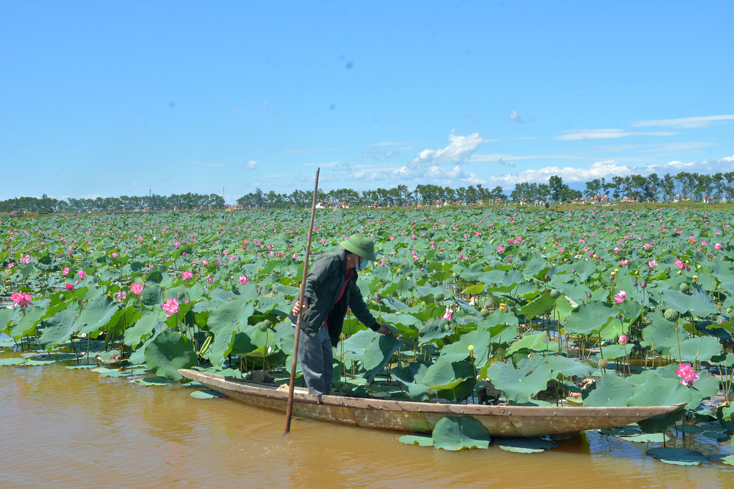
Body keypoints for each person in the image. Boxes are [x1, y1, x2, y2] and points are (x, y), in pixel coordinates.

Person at [288, 233, 391, 395]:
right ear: (355, 256)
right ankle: (318, 403)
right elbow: (310, 281)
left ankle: (325, 398)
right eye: (364, 259)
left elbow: (357, 304)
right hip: (307, 321)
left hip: (324, 324)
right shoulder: (330, 261)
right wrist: (304, 301)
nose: (365, 263)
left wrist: (376, 326)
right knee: (315, 370)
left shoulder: (350, 276)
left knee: (328, 366)